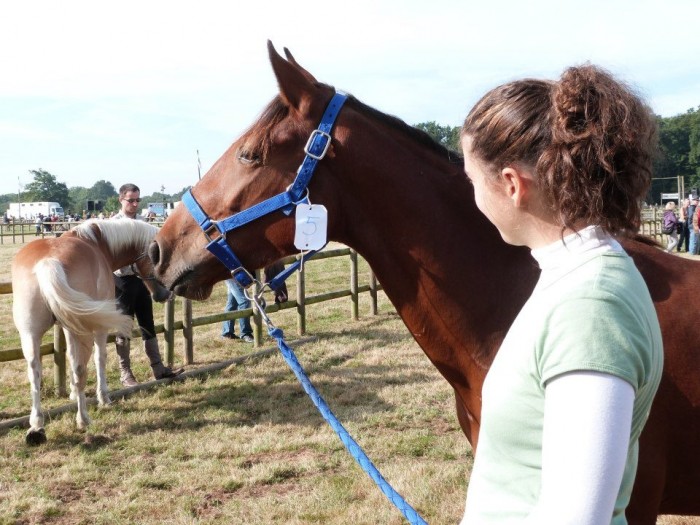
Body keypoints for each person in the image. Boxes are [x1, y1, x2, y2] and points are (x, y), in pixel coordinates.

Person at [459, 65, 663, 524]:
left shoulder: (590, 307)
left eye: (473, 181)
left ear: (511, 185)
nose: (473, 197)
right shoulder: (573, 275)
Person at [113, 183, 184, 386]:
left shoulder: (144, 223)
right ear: (121, 199)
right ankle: (125, 372)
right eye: (130, 200)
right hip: (123, 282)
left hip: (144, 281)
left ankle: (158, 368)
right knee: (124, 327)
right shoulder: (115, 225)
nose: (134, 204)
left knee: (148, 324)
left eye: (137, 200)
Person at [221, 278, 255, 343]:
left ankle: (227, 333)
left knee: (232, 304)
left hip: (233, 275)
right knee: (245, 301)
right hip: (233, 275)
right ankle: (245, 333)